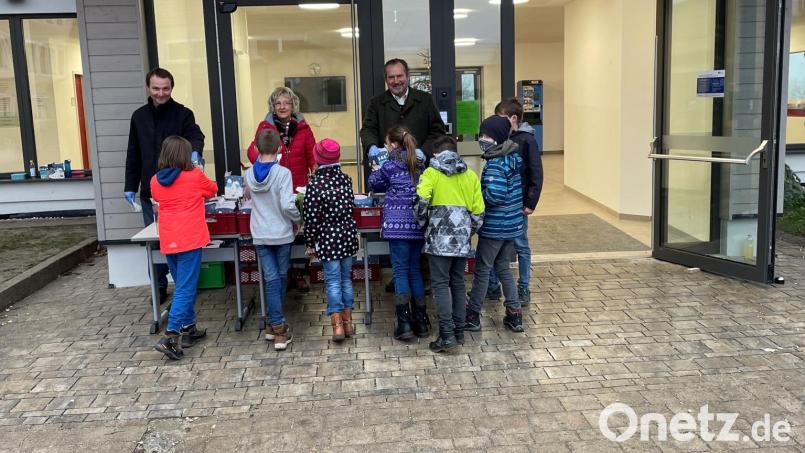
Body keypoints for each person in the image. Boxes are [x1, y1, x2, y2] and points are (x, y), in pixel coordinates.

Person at [360, 58, 446, 293]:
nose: (396, 81)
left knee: (421, 227)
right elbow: (366, 129)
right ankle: (401, 277)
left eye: (399, 76)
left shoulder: (424, 100)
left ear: (407, 76)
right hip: (392, 179)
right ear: (386, 79)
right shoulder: (377, 103)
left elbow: (438, 131)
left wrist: (424, 152)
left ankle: (422, 275)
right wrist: (371, 147)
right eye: (391, 77)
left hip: (421, 176)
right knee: (398, 232)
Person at [125, 68, 205, 304]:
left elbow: (196, 136)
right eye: (156, 88)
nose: (161, 93)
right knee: (156, 242)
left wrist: (195, 152)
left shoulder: (183, 114)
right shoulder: (138, 116)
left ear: (172, 88)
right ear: (148, 88)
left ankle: (184, 287)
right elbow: (133, 154)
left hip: (179, 194)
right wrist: (130, 185)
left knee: (180, 242)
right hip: (151, 193)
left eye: (166, 88)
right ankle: (159, 287)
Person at [150, 136, 218, 360]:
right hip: (190, 238)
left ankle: (189, 328)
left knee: (181, 285)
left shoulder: (154, 181)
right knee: (186, 289)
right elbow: (213, 190)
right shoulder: (194, 175)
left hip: (169, 239)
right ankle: (170, 336)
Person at [415, 135, 484, 353]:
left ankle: (446, 335)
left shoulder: (431, 173)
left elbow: (421, 202)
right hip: (461, 242)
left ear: (435, 153)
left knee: (440, 286)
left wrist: (425, 224)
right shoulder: (471, 175)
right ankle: (459, 332)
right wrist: (465, 232)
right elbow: (479, 212)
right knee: (458, 283)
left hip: (438, 242)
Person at [465, 116, 525, 333]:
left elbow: (495, 195)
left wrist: (476, 195)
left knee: (482, 270)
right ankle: (515, 314)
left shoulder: (495, 164)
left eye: (487, 136)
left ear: (498, 138)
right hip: (511, 226)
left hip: (494, 228)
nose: (482, 139)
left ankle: (472, 315)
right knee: (503, 269)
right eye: (481, 135)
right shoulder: (512, 159)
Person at [368, 126, 429, 341]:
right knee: (415, 270)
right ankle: (421, 321)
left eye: (386, 143)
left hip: (396, 225)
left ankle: (404, 324)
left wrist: (375, 166)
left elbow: (373, 184)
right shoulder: (418, 164)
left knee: (400, 271)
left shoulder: (390, 165)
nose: (386, 147)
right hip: (417, 225)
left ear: (393, 145)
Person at [245, 128, 301, 351]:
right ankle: (279, 328)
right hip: (281, 233)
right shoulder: (283, 173)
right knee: (279, 277)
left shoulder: (248, 174)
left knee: (271, 279)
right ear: (279, 148)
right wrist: (298, 219)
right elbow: (288, 205)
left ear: (257, 148)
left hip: (260, 233)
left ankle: (272, 324)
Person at [486, 98, 544, 305]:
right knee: (494, 246)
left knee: (521, 246)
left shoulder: (526, 140)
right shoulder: (499, 139)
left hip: (518, 205)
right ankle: (492, 287)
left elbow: (536, 173)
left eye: (502, 119)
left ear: (513, 118)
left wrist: (531, 202)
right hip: (499, 205)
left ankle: (524, 287)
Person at [303, 139, 359, 342]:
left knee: (333, 282)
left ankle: (336, 327)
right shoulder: (346, 180)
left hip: (327, 241)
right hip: (347, 237)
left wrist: (310, 242)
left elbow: (311, 218)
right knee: (346, 280)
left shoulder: (315, 185)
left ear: (317, 159)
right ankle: (348, 323)